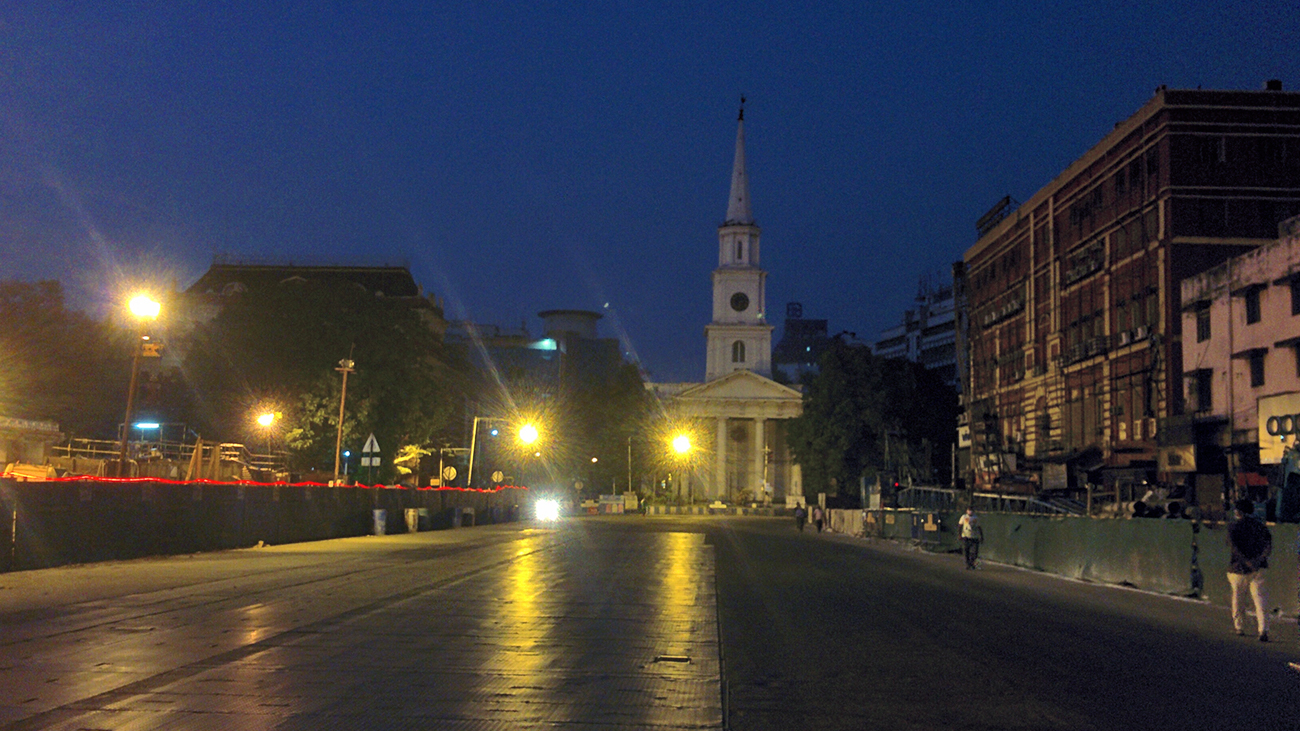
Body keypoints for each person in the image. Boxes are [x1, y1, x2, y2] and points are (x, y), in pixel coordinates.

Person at [1227, 498, 1272, 641]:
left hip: (1238, 568)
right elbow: (1268, 546)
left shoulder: (1234, 526)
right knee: (1260, 600)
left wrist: (1246, 562)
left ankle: (1239, 627)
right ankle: (1263, 629)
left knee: (1238, 598)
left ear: (1238, 511)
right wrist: (1258, 560)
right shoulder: (1261, 526)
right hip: (1259, 567)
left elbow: (1234, 548)